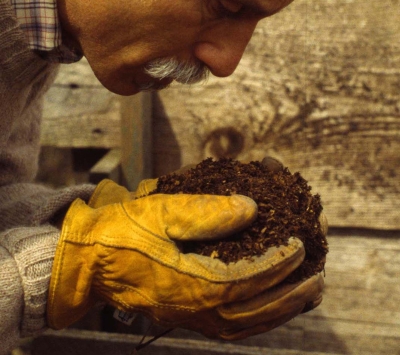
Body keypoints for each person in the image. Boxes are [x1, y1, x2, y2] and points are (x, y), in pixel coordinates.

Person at [0, 0, 326, 353]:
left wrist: (99, 222)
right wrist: (79, 267)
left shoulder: (34, 38)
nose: (226, 63)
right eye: (225, 6)